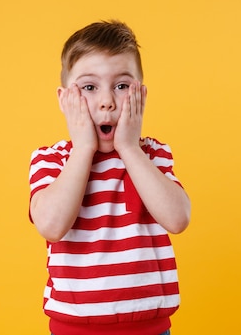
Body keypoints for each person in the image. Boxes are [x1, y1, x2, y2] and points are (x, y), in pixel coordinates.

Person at [28, 20, 191, 335]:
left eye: (122, 85)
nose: (107, 101)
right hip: (74, 329)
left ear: (141, 95)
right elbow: (50, 225)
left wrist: (129, 148)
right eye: (89, 87)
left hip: (150, 329)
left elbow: (178, 218)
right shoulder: (53, 160)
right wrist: (84, 149)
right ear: (65, 100)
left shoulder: (153, 155)